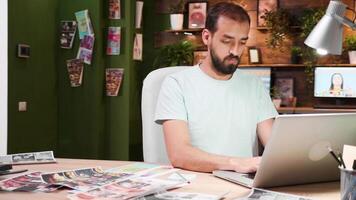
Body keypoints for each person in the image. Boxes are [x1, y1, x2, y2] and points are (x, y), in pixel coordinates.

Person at [154, 2, 278, 173]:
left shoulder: (254, 85)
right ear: (207, 37)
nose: (235, 51)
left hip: (243, 187)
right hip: (198, 185)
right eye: (227, 41)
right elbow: (179, 154)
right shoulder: (176, 84)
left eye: (242, 42)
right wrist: (236, 164)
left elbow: (275, 147)